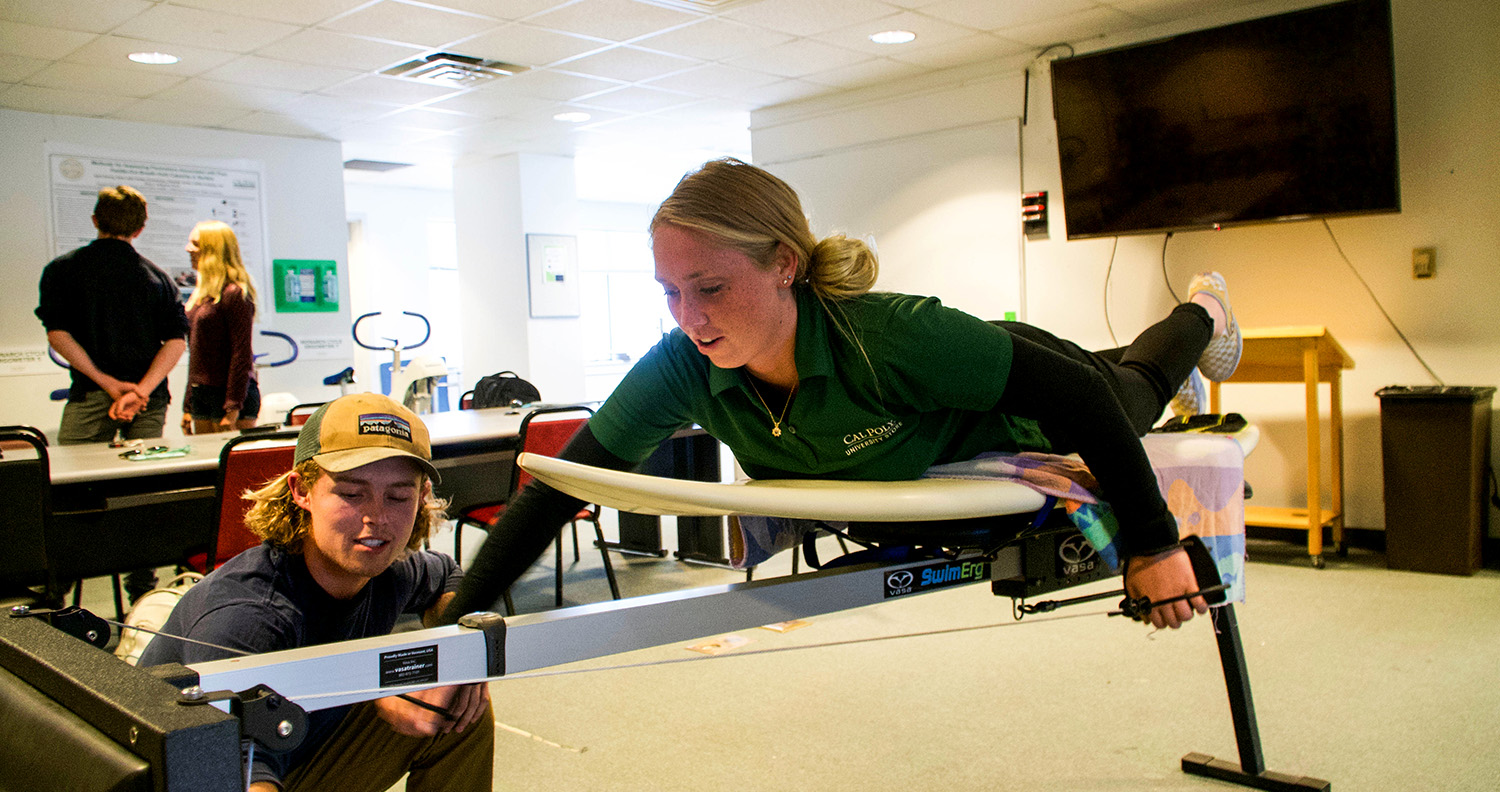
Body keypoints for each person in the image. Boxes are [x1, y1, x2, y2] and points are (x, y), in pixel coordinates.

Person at [442, 158, 1242, 632]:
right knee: (1107, 376)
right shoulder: (685, 361)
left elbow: (1082, 404)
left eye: (711, 287)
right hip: (964, 394)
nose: (690, 318)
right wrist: (466, 615)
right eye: (670, 293)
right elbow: (566, 487)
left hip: (1034, 396)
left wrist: (1156, 545)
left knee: (1131, 392)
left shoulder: (888, 335)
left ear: (784, 264)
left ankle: (1200, 313)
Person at [139, 393, 494, 791]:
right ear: (301, 490)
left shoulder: (386, 569)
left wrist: (456, 661)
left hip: (299, 747)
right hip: (195, 775)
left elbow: (445, 579)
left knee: (457, 708)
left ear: (422, 497)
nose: (376, 518)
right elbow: (228, 769)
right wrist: (374, 687)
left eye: (398, 496)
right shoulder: (249, 616)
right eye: (350, 493)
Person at [35, 185, 188, 444]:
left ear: (95, 220)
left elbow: (58, 335)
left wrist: (107, 383)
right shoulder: (160, 279)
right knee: (145, 479)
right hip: (148, 399)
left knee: (77, 475)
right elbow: (175, 342)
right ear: (140, 229)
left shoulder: (61, 270)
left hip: (91, 392)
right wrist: (141, 391)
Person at [180, 220, 262, 434]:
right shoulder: (201, 298)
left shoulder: (235, 294)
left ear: (213, 249)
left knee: (229, 464)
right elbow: (196, 354)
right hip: (202, 393)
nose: (188, 249)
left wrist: (233, 405)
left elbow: (241, 353)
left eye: (195, 243)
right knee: (206, 465)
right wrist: (188, 405)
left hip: (229, 394)